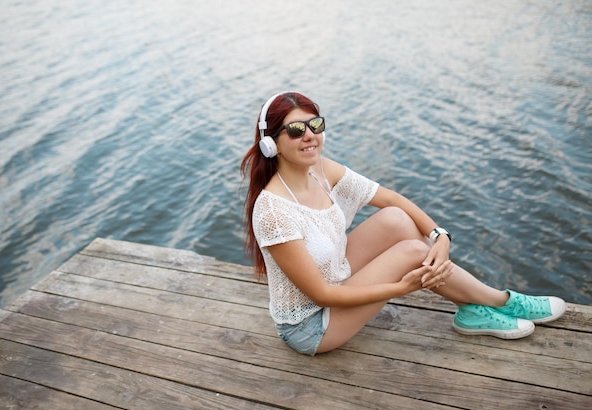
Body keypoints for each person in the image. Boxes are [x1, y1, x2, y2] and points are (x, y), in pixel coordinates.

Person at [240, 91, 566, 356]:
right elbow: (322, 294)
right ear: (271, 143)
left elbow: (392, 199)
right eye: (297, 130)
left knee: (397, 220)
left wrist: (440, 235)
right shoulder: (273, 211)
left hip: (337, 275)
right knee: (412, 251)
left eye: (316, 125)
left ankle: (472, 309)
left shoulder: (321, 170)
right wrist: (402, 288)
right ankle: (500, 301)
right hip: (312, 325)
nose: (310, 136)